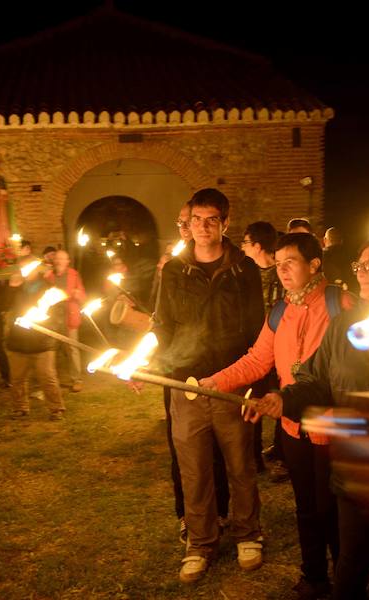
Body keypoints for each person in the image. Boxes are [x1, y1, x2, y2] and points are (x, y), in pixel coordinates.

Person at [244, 234, 369, 600]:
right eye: (359, 266)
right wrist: (283, 399)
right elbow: (317, 380)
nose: (362, 273)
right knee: (352, 562)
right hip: (358, 462)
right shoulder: (345, 325)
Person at [200, 232, 356, 597]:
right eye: (279, 263)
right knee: (306, 508)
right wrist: (216, 382)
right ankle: (314, 577)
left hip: (334, 426)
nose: (282, 270)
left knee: (334, 511)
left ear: (314, 264)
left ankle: (347, 582)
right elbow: (257, 360)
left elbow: (352, 372)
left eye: (292, 263)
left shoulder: (342, 304)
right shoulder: (281, 310)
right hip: (293, 426)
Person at [152, 188, 265, 583]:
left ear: (225, 223)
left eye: (211, 219)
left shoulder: (244, 269)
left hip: (233, 383)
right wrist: (157, 365)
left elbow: (257, 329)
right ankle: (200, 542)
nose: (202, 227)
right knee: (194, 470)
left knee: (240, 465)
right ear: (189, 223)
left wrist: (255, 383)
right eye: (196, 219)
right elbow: (163, 324)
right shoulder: (174, 270)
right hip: (187, 384)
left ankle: (248, 533)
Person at [150, 203, 231, 546]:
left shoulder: (230, 265)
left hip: (223, 372)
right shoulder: (173, 269)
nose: (189, 228)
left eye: (194, 221)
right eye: (184, 222)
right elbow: (162, 322)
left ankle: (222, 512)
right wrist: (150, 360)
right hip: (181, 374)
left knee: (222, 450)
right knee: (183, 450)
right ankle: (188, 516)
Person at [240, 221, 286, 477]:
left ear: (257, 246)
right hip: (256, 349)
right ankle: (254, 456)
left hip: (282, 348)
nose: (242, 248)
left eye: (245, 242)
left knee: (283, 398)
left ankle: (283, 454)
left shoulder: (282, 273)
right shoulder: (246, 274)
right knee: (254, 399)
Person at [5, 257, 66, 419]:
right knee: (17, 378)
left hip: (42, 343)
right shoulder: (15, 288)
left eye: (30, 267)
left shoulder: (48, 289)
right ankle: (20, 407)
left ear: (38, 269)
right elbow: (2, 305)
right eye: (23, 267)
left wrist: (43, 325)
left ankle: (56, 408)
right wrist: (11, 288)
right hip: (18, 341)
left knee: (48, 377)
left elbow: (58, 316)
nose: (27, 271)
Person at [44, 249, 87, 392]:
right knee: (52, 348)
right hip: (53, 317)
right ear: (54, 261)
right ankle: (54, 379)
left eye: (63, 259)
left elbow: (82, 296)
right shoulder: (49, 276)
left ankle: (77, 379)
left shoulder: (74, 275)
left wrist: (77, 294)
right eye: (57, 258)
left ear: (67, 261)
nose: (60, 261)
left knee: (72, 348)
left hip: (70, 315)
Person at [322, 227, 355, 292]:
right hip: (352, 292)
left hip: (331, 294)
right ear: (341, 240)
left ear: (325, 240)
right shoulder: (352, 255)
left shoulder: (321, 257)